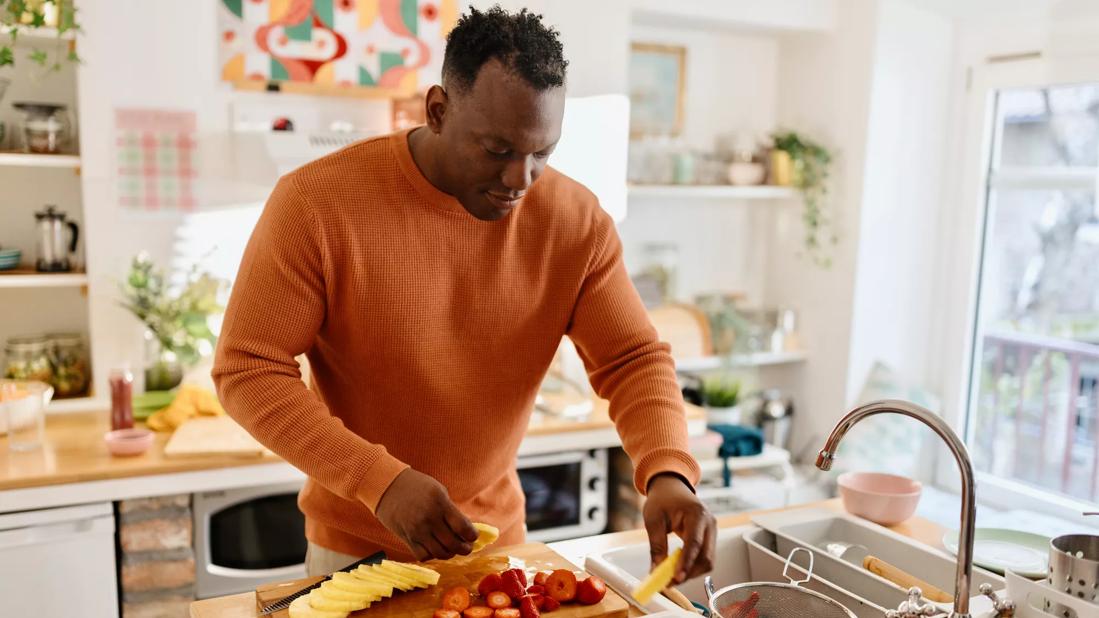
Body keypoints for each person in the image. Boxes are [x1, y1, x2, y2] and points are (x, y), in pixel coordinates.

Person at [212, 5, 716, 584]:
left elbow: (633, 359)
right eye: (497, 150)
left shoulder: (576, 222)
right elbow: (247, 369)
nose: (519, 181)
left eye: (542, 153)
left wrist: (668, 474)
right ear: (437, 109)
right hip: (356, 554)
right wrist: (381, 483)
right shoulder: (316, 203)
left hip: (496, 548)